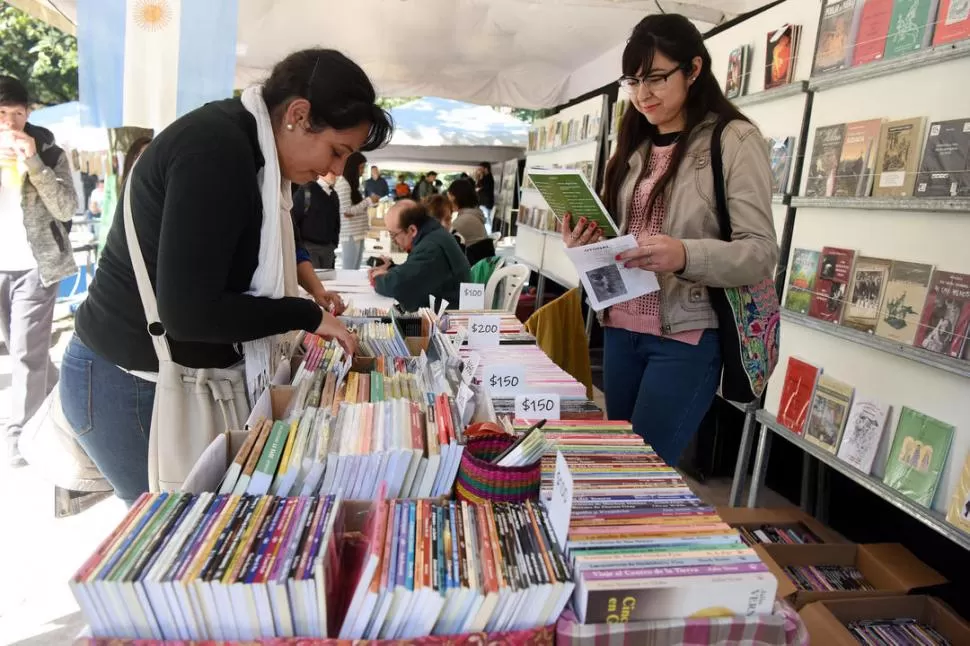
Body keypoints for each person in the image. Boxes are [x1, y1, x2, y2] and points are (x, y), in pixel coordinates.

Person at [61, 48, 391, 504]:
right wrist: (305, 314)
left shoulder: (251, 150)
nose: (335, 170)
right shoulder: (216, 151)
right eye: (337, 151)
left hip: (156, 379)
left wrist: (307, 295)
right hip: (134, 383)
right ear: (298, 114)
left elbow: (254, 244)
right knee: (174, 544)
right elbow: (191, 314)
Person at [562, 14, 777, 466]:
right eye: (634, 81)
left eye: (657, 78)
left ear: (694, 69)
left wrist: (684, 254)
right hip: (619, 329)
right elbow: (622, 241)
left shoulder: (733, 139)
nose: (643, 95)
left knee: (641, 472)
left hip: (686, 334)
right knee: (619, 464)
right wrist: (584, 242)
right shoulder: (634, 145)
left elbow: (759, 251)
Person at [0, 75, 78, 466]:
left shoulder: (47, 150)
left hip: (36, 267)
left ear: (28, 114)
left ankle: (21, 435)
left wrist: (33, 164)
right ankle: (68, 401)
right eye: (2, 113)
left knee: (25, 352)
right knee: (22, 349)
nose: (10, 123)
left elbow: (66, 208)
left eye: (18, 113)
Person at [369, 199, 470, 312]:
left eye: (393, 235)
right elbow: (415, 272)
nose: (394, 241)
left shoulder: (431, 248)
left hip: (448, 319)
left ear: (412, 230)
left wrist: (377, 278)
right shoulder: (433, 234)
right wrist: (390, 268)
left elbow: (399, 286)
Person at [335, 152, 378, 270]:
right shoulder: (343, 184)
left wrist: (368, 202)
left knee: (355, 268)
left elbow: (356, 207)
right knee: (349, 269)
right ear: (352, 167)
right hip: (350, 234)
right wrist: (368, 201)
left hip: (357, 232)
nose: (363, 171)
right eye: (361, 167)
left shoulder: (352, 184)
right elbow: (347, 211)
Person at [291, 172, 341, 269]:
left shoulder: (333, 194)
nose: (335, 175)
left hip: (328, 248)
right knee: (314, 280)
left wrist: (334, 243)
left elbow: (336, 221)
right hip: (309, 248)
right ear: (321, 172)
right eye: (331, 172)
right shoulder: (306, 191)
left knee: (328, 281)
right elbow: (294, 220)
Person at [447, 179, 487, 246]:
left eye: (449, 197)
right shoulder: (472, 213)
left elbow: (446, 239)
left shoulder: (465, 219)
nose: (448, 200)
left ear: (454, 197)